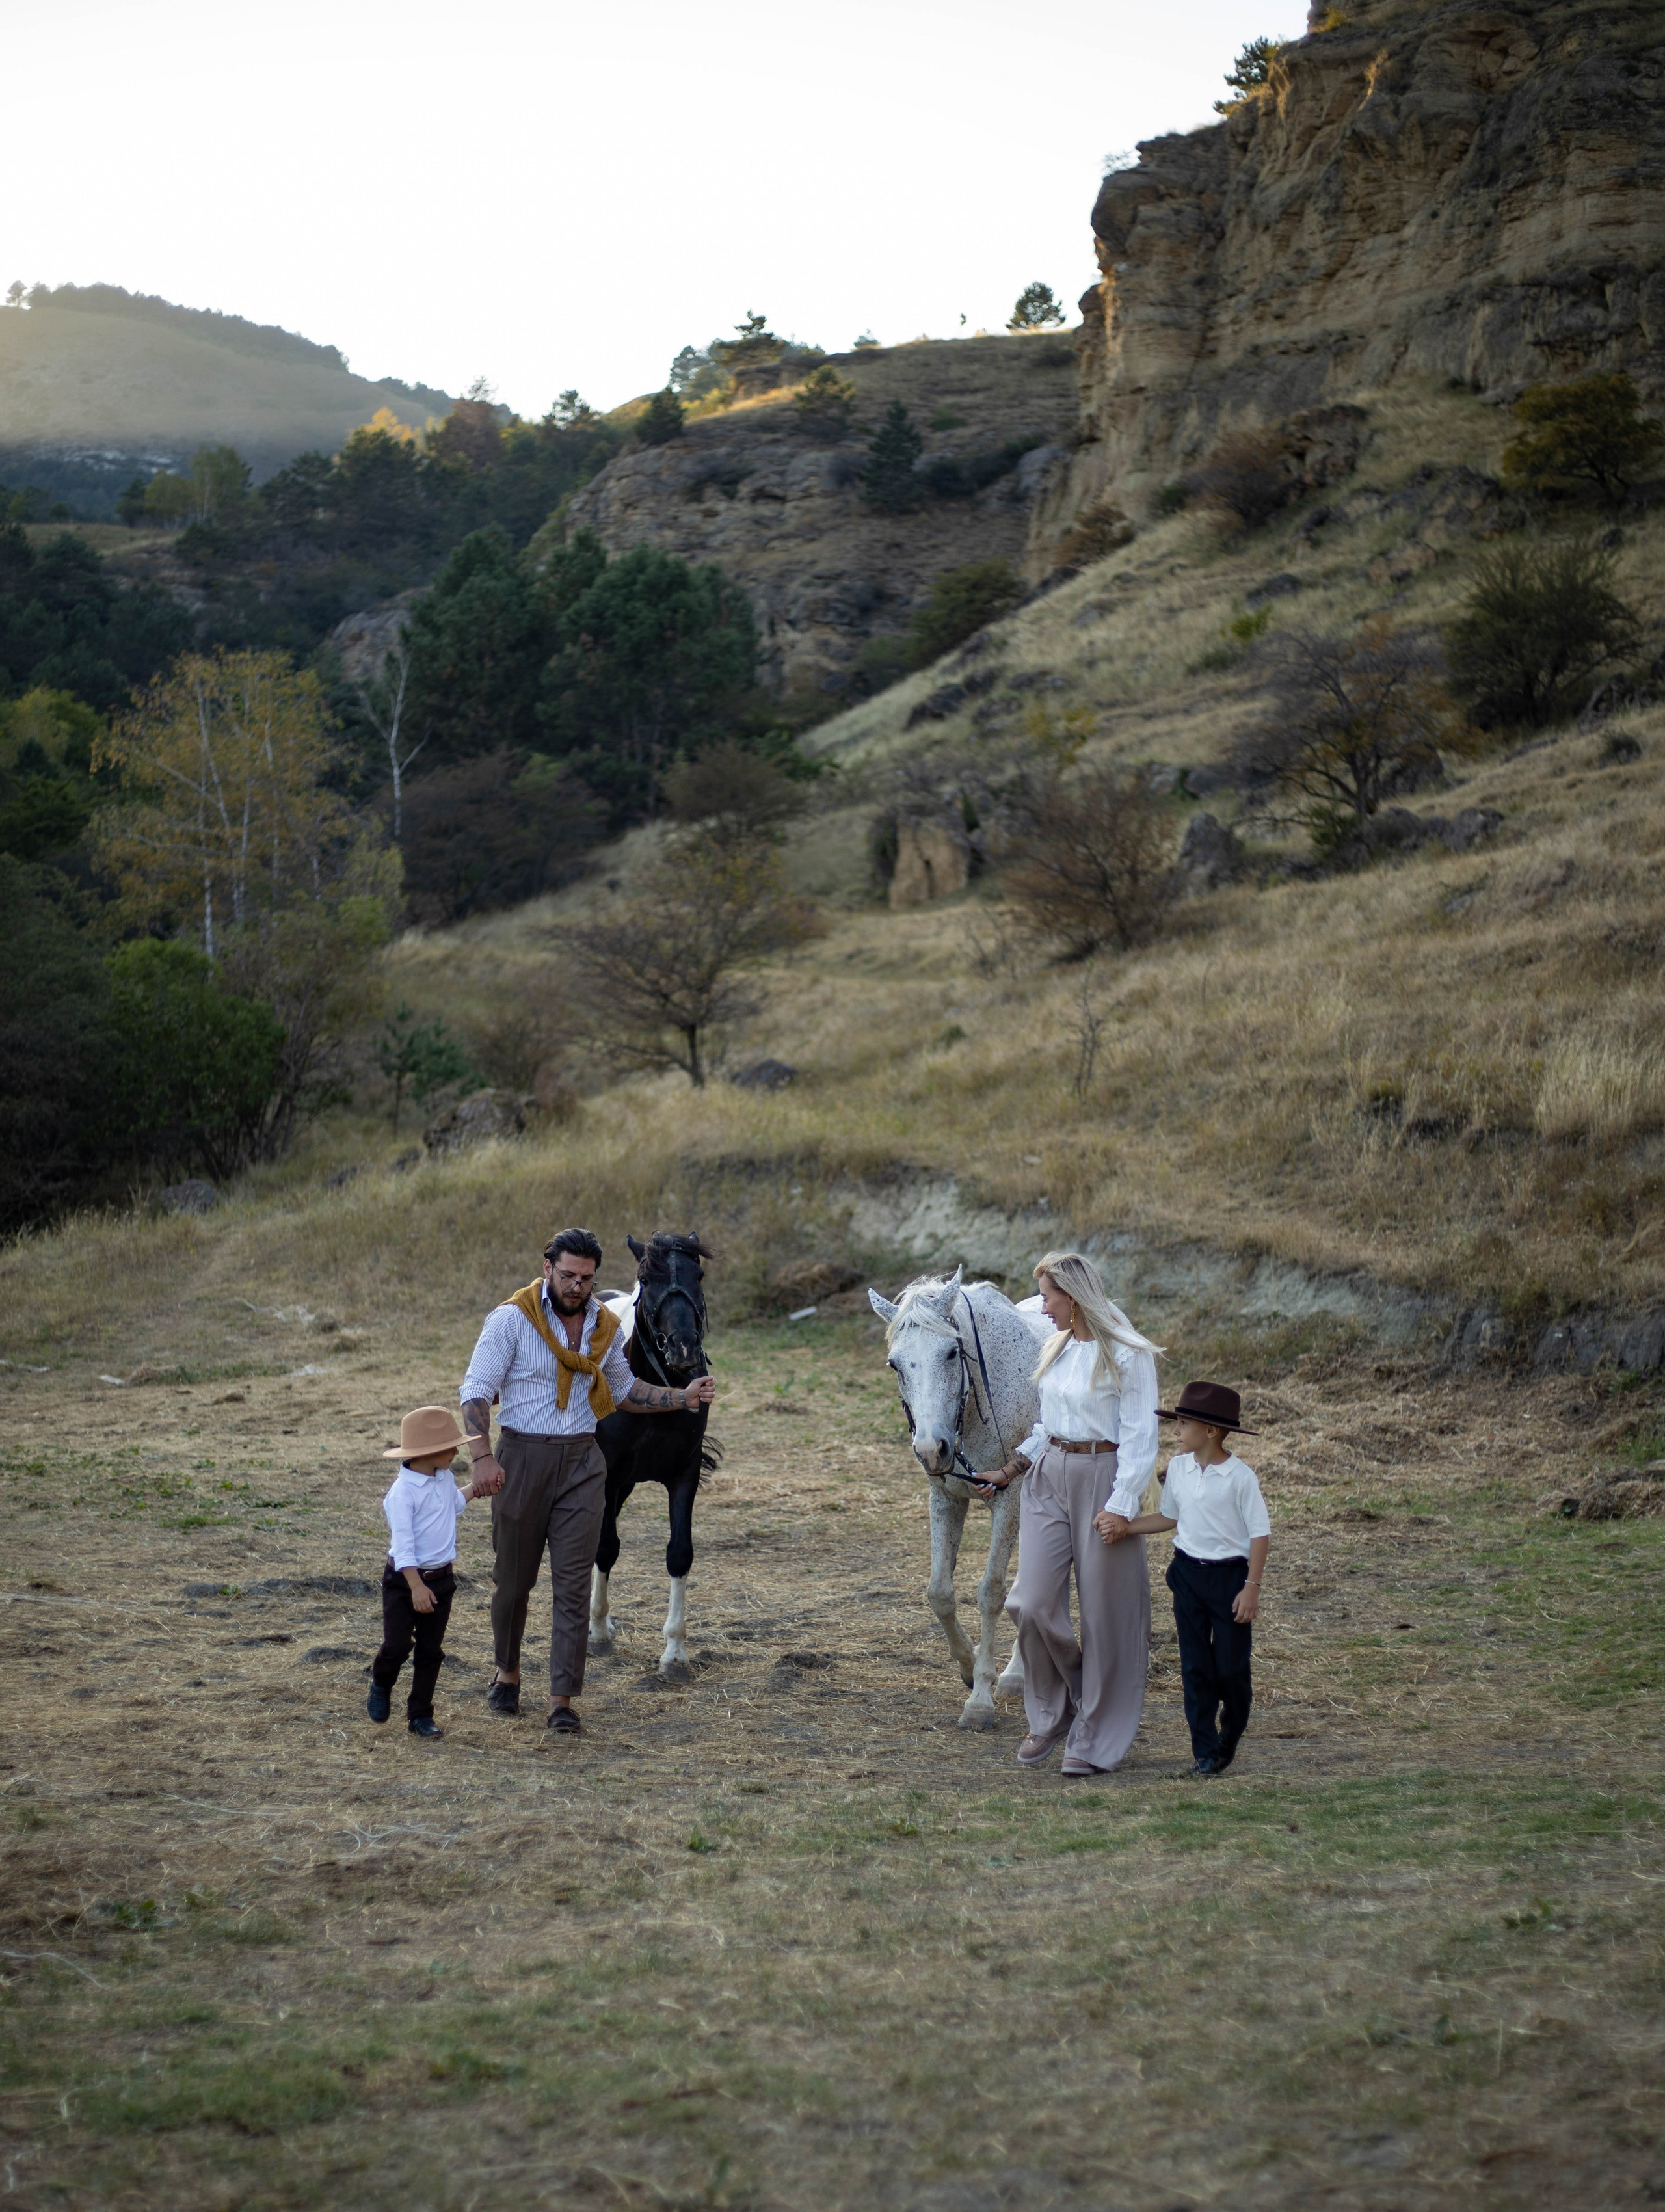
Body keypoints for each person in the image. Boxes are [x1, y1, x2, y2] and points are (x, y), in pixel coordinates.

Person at [460, 1228, 716, 1737]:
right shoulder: (511, 1320)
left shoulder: (603, 1324)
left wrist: (681, 1399)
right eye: (568, 1275)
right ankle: (508, 1672)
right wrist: (483, 1457)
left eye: (586, 1278)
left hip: (582, 1461)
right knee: (514, 1583)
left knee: (574, 1586)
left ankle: (562, 1700)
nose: (577, 1286)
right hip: (522, 1457)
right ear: (549, 1267)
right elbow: (475, 1392)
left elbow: (623, 1389)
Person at [974, 1249, 1160, 1777]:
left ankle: (1098, 1733)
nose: (1041, 1307)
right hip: (1047, 1476)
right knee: (1030, 1602)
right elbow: (1047, 1423)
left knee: (1107, 1615)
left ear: (1074, 1299)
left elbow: (1141, 1437)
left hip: (1104, 1477)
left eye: (1048, 1297)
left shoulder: (1126, 1351)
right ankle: (1061, 1706)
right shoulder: (1056, 1346)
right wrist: (1011, 1470)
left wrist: (1122, 1506)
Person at [1098, 1379, 1270, 1778]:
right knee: (1195, 1668)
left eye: (1183, 1423)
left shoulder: (1240, 1478)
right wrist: (1126, 1527)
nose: (1175, 1431)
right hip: (1188, 1576)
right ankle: (1205, 1754)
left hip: (1231, 1582)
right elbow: (1170, 1518)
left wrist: (1252, 1587)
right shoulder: (1177, 1468)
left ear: (1210, 1431)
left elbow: (1260, 1533)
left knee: (1230, 1669)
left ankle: (1230, 1735)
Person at [369, 1404, 490, 1739]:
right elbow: (402, 1548)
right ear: (428, 1452)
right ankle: (381, 1681)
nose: (456, 1452)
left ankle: (420, 1714)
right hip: (405, 1582)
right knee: (397, 1644)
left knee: (430, 1651)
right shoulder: (402, 1494)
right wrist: (417, 1588)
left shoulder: (444, 1477)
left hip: (442, 1580)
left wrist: (476, 1490)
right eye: (451, 1446)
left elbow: (452, 1505)